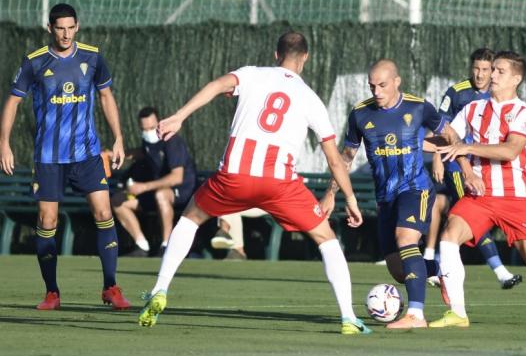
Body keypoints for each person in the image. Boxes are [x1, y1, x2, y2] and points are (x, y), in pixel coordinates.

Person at [138, 31, 372, 335]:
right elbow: (334, 159)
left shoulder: (251, 74)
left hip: (234, 176)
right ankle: (348, 318)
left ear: (276, 55)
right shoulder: (311, 99)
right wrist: (350, 200)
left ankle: (160, 289)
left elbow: (215, 86)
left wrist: (180, 116)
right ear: (305, 59)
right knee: (326, 239)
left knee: (191, 219)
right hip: (279, 184)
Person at [431, 50, 526, 328]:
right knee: (448, 237)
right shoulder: (472, 109)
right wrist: (413, 146)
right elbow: (447, 138)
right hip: (480, 197)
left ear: (516, 78)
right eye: (493, 70)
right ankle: (458, 313)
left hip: (516, 199)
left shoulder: (523, 112)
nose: (493, 75)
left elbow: (510, 150)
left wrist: (466, 147)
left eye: (500, 71)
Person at [0, 3, 130, 310]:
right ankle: (52, 292)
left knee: (103, 213)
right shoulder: (34, 62)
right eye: (60, 28)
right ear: (49, 28)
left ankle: (111, 287)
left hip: (86, 154)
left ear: (78, 26)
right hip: (48, 157)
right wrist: (4, 143)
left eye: (71, 27)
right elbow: (13, 102)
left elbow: (107, 97)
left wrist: (119, 138)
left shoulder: (92, 57)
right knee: (47, 220)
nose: (66, 34)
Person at [321, 59, 445, 329]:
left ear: (397, 82)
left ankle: (416, 315)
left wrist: (439, 156)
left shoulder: (419, 106)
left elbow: (450, 136)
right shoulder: (360, 114)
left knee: (406, 239)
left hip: (416, 188)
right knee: (399, 271)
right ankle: (441, 272)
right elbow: (346, 158)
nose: (376, 91)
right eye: (372, 85)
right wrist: (331, 193)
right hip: (385, 197)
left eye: (382, 85)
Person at [426, 48, 526, 291]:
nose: (482, 74)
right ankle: (500, 271)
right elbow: (441, 128)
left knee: (462, 219)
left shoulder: (500, 94)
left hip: (484, 169)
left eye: (487, 69)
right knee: (471, 215)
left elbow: (517, 126)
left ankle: (436, 266)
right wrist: (438, 158)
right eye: (477, 69)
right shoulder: (457, 93)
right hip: (457, 164)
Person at [112, 106, 197, 257]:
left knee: (161, 195)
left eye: (152, 128)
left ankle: (166, 246)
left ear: (159, 123)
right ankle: (141, 246)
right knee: (118, 201)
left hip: (181, 193)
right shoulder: (148, 142)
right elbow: (142, 153)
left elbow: (177, 177)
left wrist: (143, 187)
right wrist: (116, 154)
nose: (149, 132)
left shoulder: (172, 141)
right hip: (154, 192)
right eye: (144, 129)